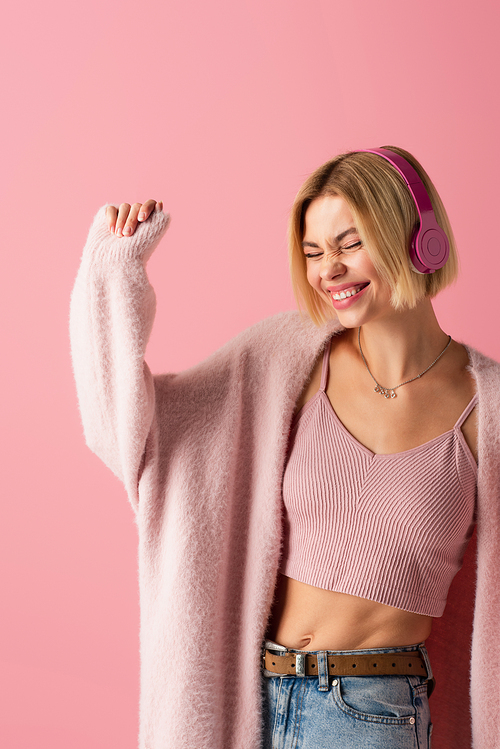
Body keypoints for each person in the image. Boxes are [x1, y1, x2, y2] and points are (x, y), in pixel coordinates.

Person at [70, 146, 500, 749]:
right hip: (255, 705)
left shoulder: (487, 407)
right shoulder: (283, 360)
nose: (329, 271)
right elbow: (135, 437)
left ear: (418, 237)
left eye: (349, 244)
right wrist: (114, 277)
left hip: (375, 717)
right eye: (314, 252)